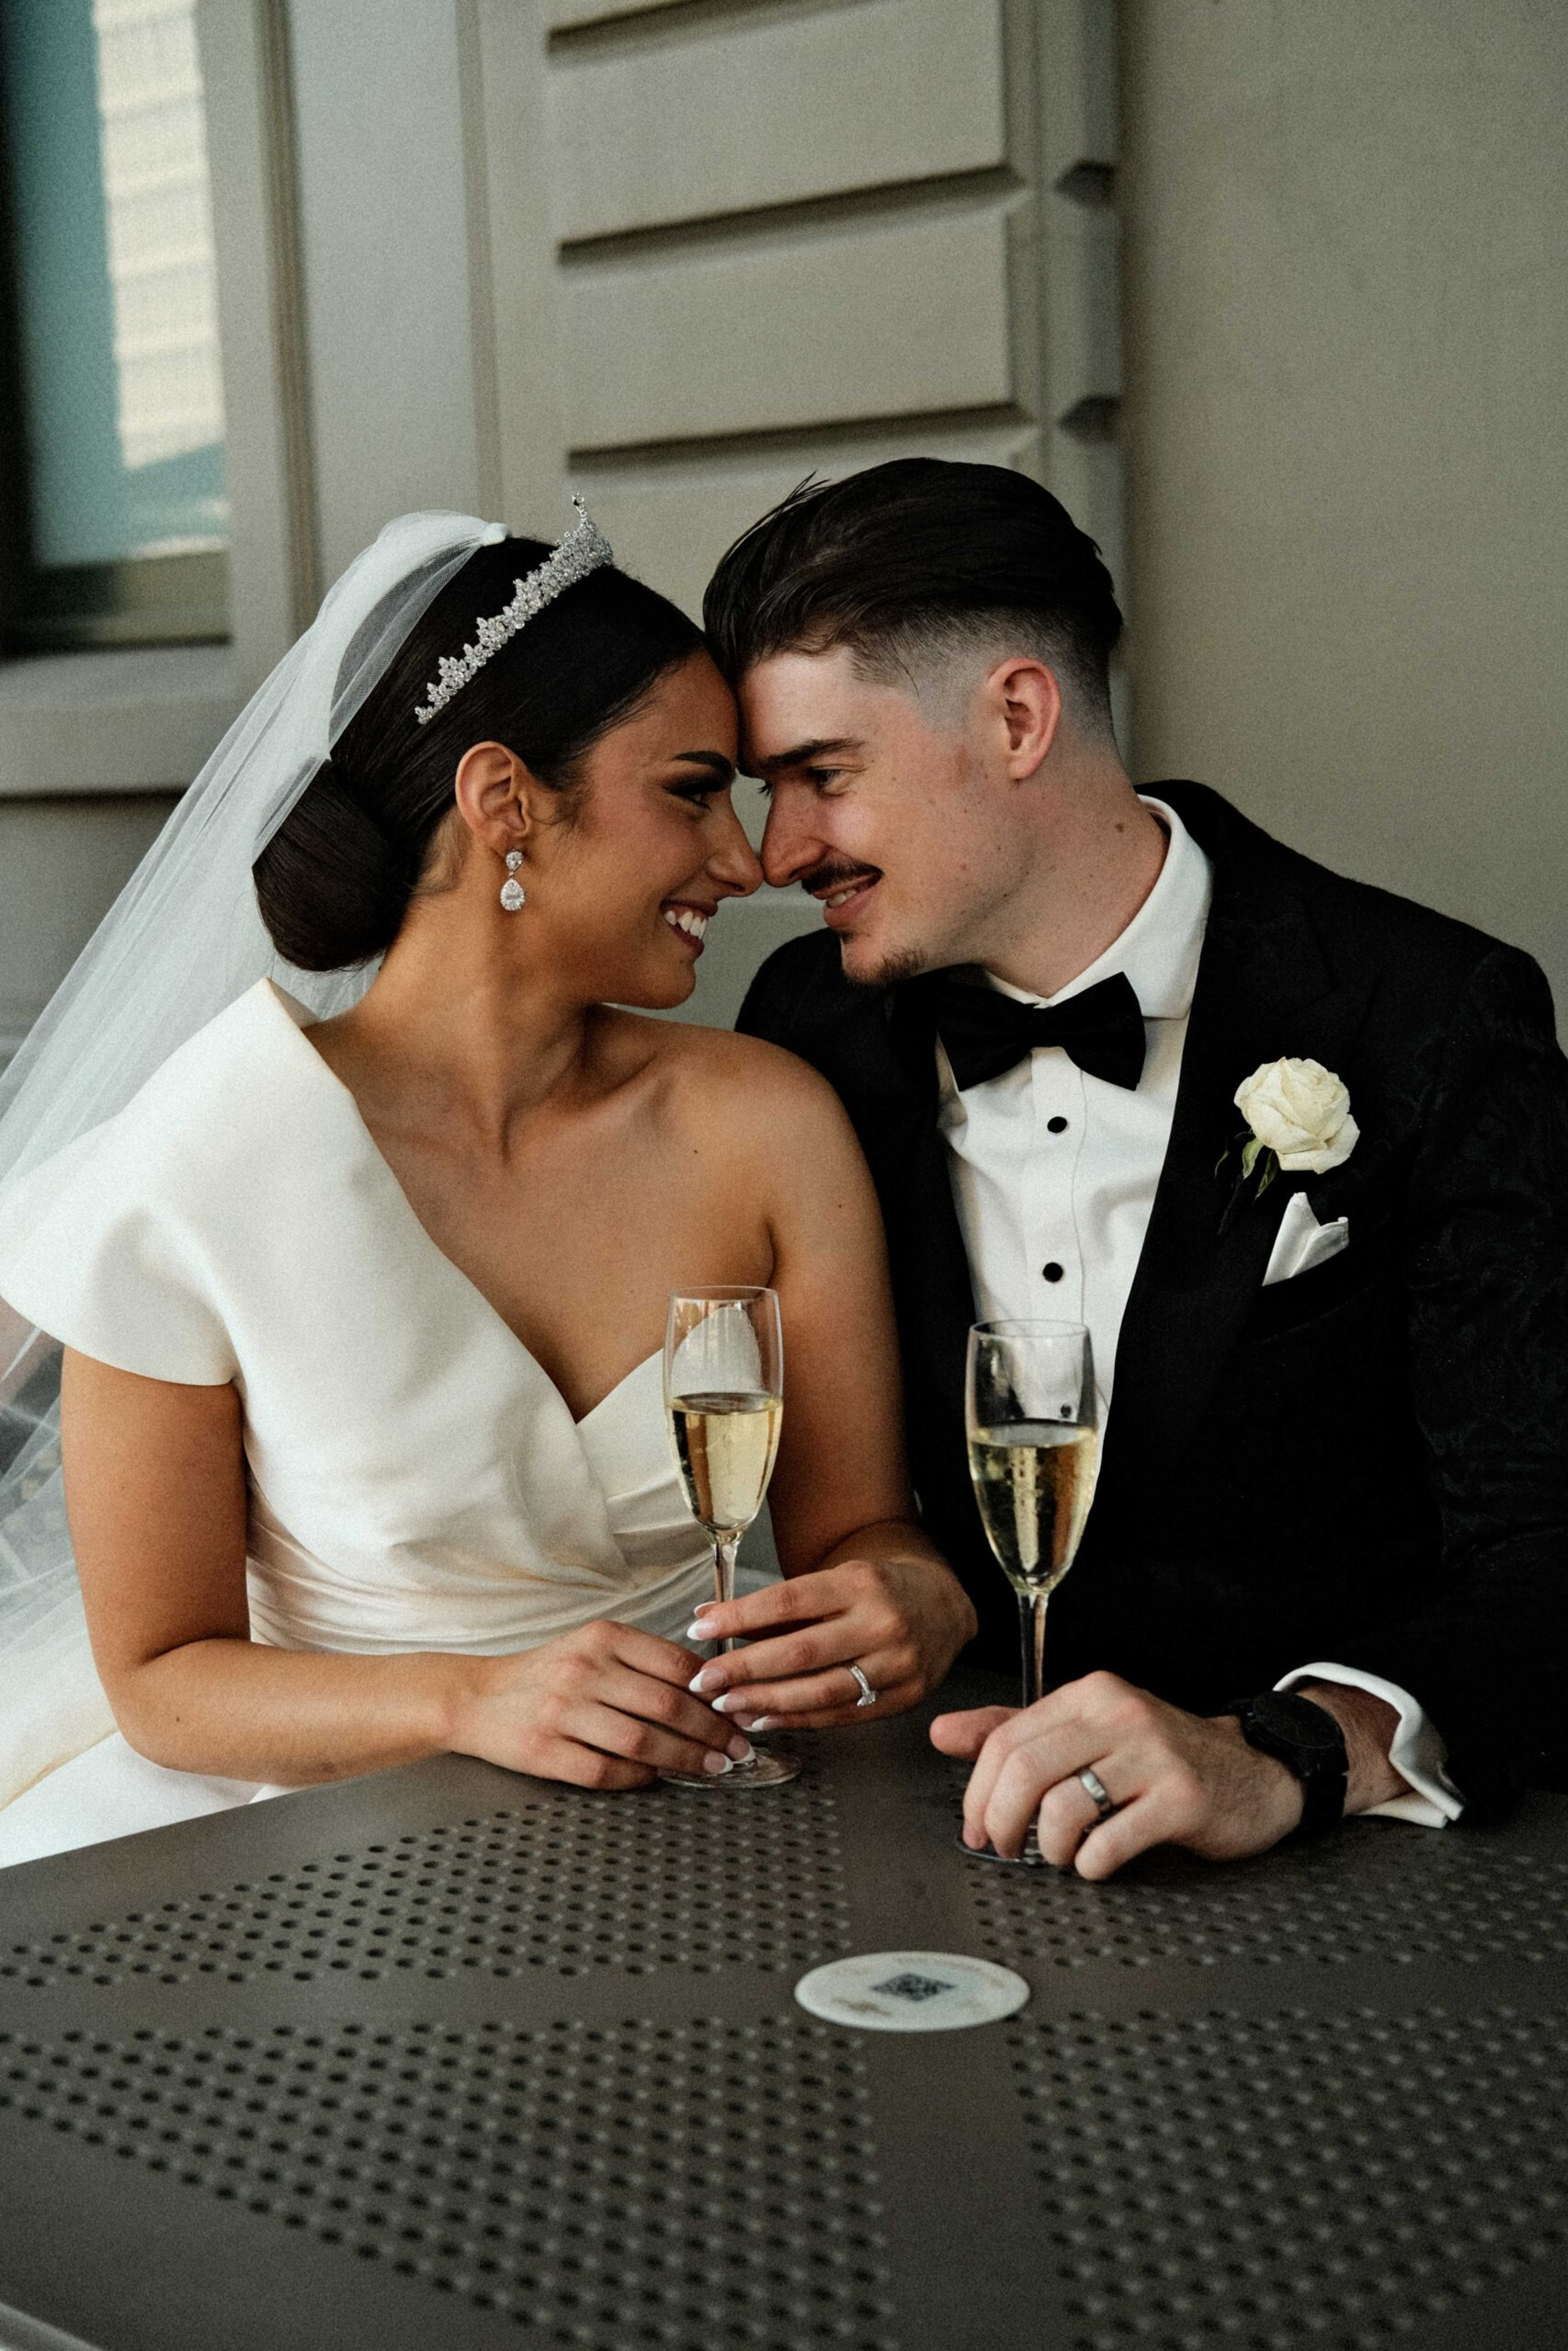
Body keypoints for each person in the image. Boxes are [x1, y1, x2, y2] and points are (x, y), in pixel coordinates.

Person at [0, 506, 973, 1865]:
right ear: (505, 799)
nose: (747, 862)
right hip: (312, 1841)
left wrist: (917, 1594)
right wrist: (475, 1702)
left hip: (709, 1809)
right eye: (692, 791)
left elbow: (857, 1531)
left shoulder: (766, 1124)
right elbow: (163, 1681)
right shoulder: (196, 1165)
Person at [695, 457, 1568, 1877]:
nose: (779, 849)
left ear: (1020, 716)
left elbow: (1545, 1548)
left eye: (821, 776)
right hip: (914, 1839)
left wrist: (1289, 1753)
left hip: (1331, 1883)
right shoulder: (807, 1028)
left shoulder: (1427, 1016)